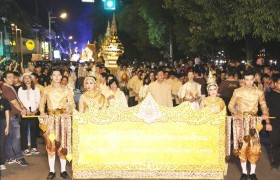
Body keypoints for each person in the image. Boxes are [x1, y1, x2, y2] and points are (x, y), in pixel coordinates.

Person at [228, 70, 269, 180]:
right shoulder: (238, 91)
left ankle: (253, 173)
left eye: (251, 79)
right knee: (242, 147)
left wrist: (265, 112)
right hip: (241, 122)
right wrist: (235, 113)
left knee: (254, 147)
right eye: (247, 80)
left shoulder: (259, 92)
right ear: (243, 80)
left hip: (254, 123)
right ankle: (244, 172)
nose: (249, 82)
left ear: (254, 79)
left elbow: (263, 104)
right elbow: (230, 105)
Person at [39, 68, 76, 179]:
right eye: (54, 75)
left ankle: (63, 170)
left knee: (63, 145)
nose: (56, 77)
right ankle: (52, 171)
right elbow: (41, 104)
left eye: (58, 75)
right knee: (50, 145)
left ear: (61, 77)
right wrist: (42, 113)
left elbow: (72, 104)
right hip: (50, 120)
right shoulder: (46, 90)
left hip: (63, 120)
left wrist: (68, 112)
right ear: (51, 77)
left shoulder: (67, 90)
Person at [1, 71, 29, 166]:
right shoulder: (5, 88)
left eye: (13, 77)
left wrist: (23, 108)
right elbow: (14, 102)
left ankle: (10, 157)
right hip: (11, 117)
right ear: (4, 79)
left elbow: (17, 100)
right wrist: (22, 110)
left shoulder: (10, 87)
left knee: (10, 138)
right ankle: (19, 157)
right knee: (16, 138)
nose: (12, 79)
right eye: (9, 77)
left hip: (13, 116)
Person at [18, 73, 40, 155]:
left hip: (34, 112)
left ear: (31, 79)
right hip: (24, 112)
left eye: (28, 78)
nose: (27, 79)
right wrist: (24, 109)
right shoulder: (20, 89)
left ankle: (34, 147)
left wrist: (36, 110)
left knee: (34, 129)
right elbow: (19, 100)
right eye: (25, 78)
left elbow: (38, 100)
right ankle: (25, 148)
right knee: (24, 129)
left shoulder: (36, 89)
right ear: (23, 80)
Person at [265, 73, 280, 170]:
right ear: (274, 83)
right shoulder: (270, 95)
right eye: (279, 83)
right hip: (274, 124)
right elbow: (266, 110)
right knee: (275, 144)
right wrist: (267, 123)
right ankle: (276, 162)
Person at [0, 85, 11, 170]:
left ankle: (1, 162)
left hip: (2, 123)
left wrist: (7, 126)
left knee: (2, 143)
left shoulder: (4, 101)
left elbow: (7, 114)